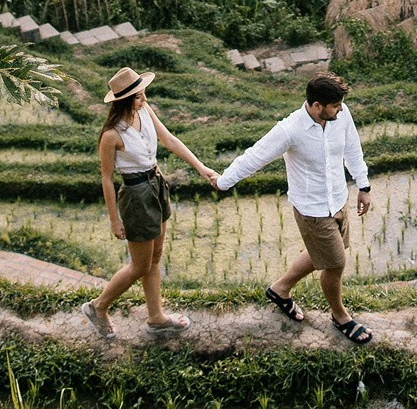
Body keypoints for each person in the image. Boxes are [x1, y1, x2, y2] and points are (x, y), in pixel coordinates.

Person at [216, 71, 375, 344]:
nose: (340, 110)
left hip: (338, 199)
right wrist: (223, 182)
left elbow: (352, 149)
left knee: (323, 253)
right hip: (312, 209)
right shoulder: (290, 129)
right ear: (316, 106)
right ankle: (340, 316)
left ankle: (280, 289)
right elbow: (256, 155)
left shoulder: (342, 114)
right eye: (334, 106)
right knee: (336, 263)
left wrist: (364, 186)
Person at [83, 66, 219, 339]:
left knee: (155, 258)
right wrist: (114, 219)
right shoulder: (112, 135)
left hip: (156, 184)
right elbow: (107, 178)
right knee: (140, 266)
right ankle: (98, 306)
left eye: (143, 94)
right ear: (123, 101)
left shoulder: (145, 111)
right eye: (137, 97)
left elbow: (168, 140)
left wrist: (201, 167)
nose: (143, 100)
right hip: (135, 194)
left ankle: (156, 317)